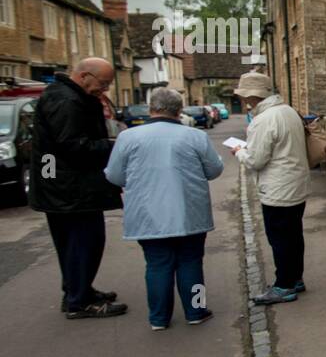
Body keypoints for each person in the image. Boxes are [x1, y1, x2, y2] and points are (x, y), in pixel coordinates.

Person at [104, 87, 224, 330]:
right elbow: (214, 170)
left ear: (151, 109)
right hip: (189, 212)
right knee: (191, 263)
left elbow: (114, 175)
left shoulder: (128, 137)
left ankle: (158, 318)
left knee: (157, 265)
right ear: (179, 110)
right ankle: (196, 310)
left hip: (148, 213)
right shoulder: (195, 136)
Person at [29, 58, 127, 319]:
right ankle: (79, 302)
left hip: (64, 187)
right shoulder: (68, 101)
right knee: (85, 242)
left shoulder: (63, 95)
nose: (104, 90)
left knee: (74, 244)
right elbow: (74, 146)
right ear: (84, 76)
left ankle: (78, 291)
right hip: (71, 189)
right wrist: (114, 144)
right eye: (102, 84)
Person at [230, 72, 308, 305]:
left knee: (280, 239)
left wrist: (239, 152)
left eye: (245, 96)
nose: (244, 101)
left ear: (251, 97)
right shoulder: (288, 111)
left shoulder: (263, 120)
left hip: (277, 189)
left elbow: (256, 161)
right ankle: (295, 278)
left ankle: (283, 285)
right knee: (294, 235)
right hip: (296, 183)